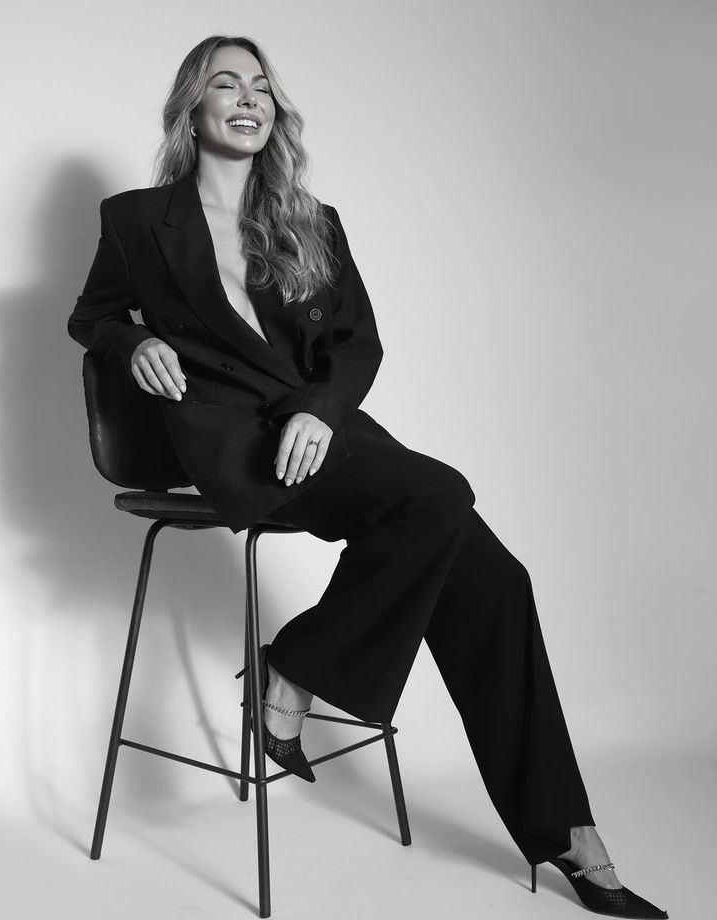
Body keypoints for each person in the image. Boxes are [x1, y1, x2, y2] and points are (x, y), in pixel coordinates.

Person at [67, 34, 669, 920]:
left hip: (324, 433)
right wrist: (137, 339)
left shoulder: (311, 222)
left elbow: (358, 346)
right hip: (232, 443)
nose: (248, 99)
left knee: (498, 581)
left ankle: (562, 826)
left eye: (262, 88)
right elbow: (91, 315)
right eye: (225, 85)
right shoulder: (134, 220)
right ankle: (296, 677)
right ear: (191, 109)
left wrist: (320, 411)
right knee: (441, 493)